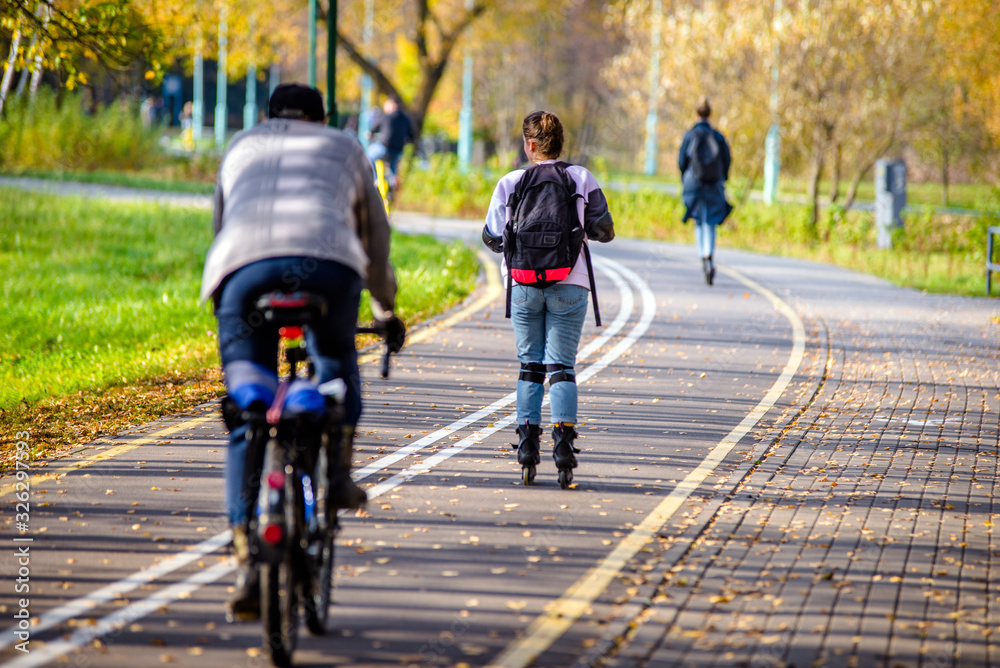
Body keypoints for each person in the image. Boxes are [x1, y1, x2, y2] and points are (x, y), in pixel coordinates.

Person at [200, 83, 405, 621]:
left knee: (249, 407)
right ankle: (335, 474)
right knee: (336, 359)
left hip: (241, 272)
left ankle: (246, 548)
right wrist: (384, 308)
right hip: (329, 267)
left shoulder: (242, 145)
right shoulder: (344, 146)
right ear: (324, 117)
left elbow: (221, 225)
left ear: (268, 118)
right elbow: (375, 234)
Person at [482, 110, 615, 484]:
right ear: (560, 143)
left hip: (523, 285)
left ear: (530, 145)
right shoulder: (581, 177)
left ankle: (527, 446)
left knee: (530, 365)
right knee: (562, 367)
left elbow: (491, 237)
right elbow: (604, 230)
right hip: (571, 283)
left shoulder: (510, 182)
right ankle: (563, 447)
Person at [678, 96, 732, 285]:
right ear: (710, 114)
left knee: (698, 221)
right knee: (711, 222)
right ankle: (710, 256)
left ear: (695, 113)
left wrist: (685, 178)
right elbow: (727, 160)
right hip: (714, 185)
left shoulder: (690, 135)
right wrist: (723, 178)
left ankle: (702, 257)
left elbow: (681, 162)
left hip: (693, 184)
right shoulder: (718, 136)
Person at [365, 95, 416, 187]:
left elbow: (375, 128)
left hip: (384, 147)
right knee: (392, 164)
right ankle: (393, 181)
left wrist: (371, 134)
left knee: (369, 156)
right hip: (398, 149)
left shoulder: (386, 116)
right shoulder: (406, 119)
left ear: (391, 105)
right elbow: (412, 136)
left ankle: (374, 180)